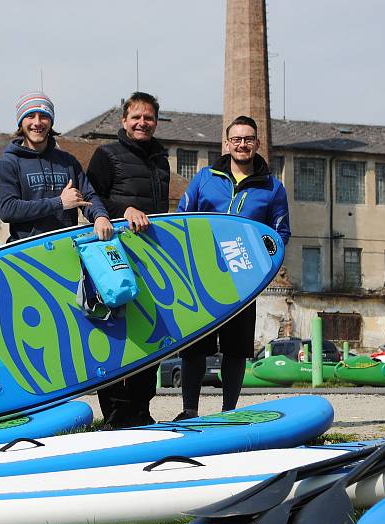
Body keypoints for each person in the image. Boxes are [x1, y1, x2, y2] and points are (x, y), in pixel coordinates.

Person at [174, 115, 291, 419]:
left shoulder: (273, 188)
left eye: (248, 139)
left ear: (257, 143)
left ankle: (229, 412)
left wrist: (262, 268)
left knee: (237, 350)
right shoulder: (205, 178)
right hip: (201, 277)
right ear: (226, 144)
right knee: (195, 346)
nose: (242, 144)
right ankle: (189, 410)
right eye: (236, 139)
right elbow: (181, 220)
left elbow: (280, 235)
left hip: (244, 281)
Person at [86, 91, 170, 428]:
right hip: (113, 256)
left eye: (148, 118)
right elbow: (92, 201)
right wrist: (124, 212)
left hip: (151, 258)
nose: (142, 123)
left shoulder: (161, 159)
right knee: (113, 330)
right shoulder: (106, 154)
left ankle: (141, 408)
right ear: (124, 120)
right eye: (136, 117)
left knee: (150, 329)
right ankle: (115, 412)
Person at [0, 91, 113, 242]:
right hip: (27, 255)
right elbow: (7, 209)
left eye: (43, 116)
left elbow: (88, 196)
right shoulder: (7, 163)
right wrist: (59, 203)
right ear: (21, 122)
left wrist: (100, 216)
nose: (37, 122)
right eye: (30, 116)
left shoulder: (68, 161)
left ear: (51, 121)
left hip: (68, 248)